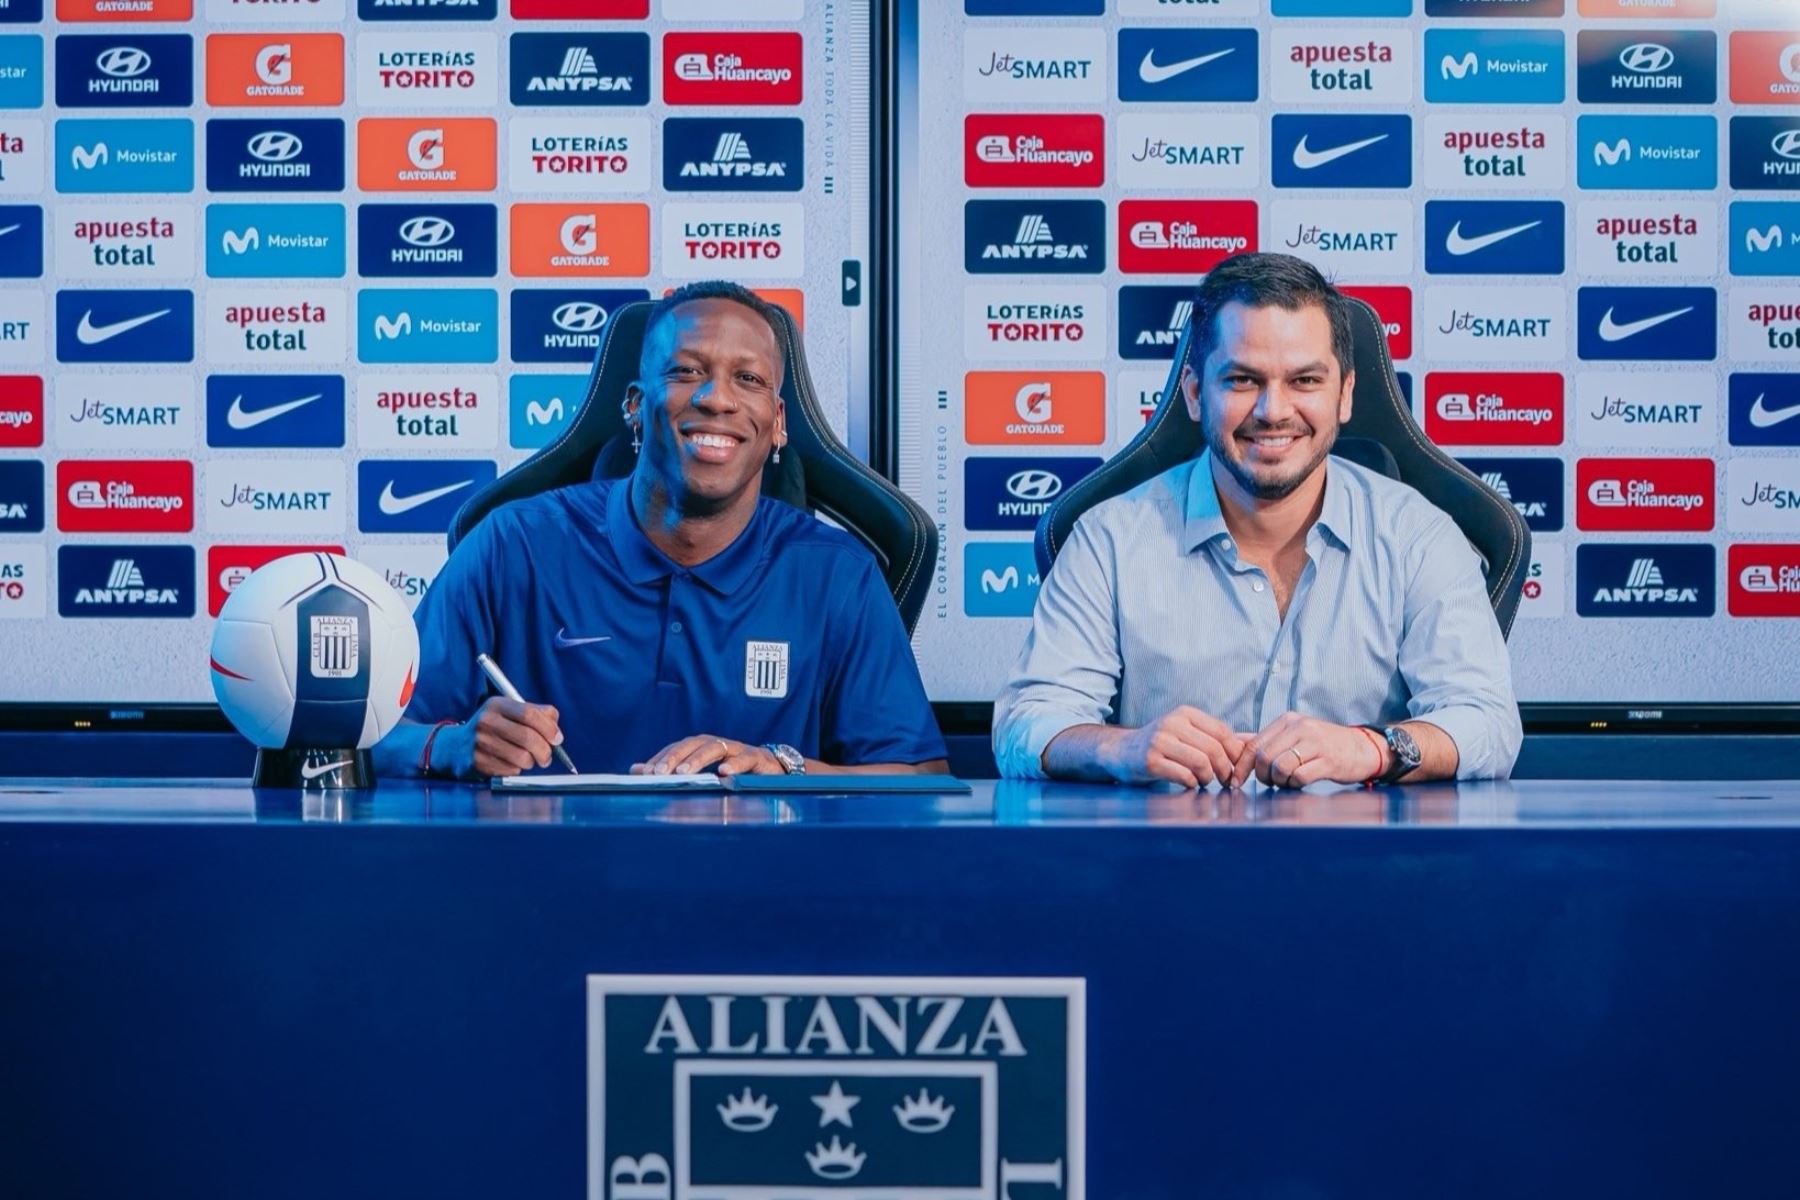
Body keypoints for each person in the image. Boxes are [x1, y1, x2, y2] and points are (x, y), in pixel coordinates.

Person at [377, 280, 949, 780]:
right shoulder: (512, 545)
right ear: (634, 404)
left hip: (762, 871)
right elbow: (374, 736)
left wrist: (783, 767)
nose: (716, 398)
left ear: (778, 424)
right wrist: (446, 745)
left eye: (748, 378)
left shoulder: (839, 575)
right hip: (547, 866)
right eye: (686, 371)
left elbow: (919, 778)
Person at [992, 252, 1522, 788]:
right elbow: (1025, 724)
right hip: (1167, 839)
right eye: (1243, 380)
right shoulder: (1109, 539)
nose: (1274, 411)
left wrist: (1372, 747)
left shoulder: (1418, 537)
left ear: (1344, 395)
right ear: (1195, 393)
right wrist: (1120, 746)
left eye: (1305, 380)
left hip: (1362, 839)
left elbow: (1489, 724)